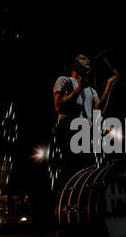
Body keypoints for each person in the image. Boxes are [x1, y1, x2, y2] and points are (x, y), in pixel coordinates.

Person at [51, 54, 119, 191]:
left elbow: (98, 110)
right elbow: (59, 106)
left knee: (87, 171)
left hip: (84, 132)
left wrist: (108, 86)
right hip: (68, 128)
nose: (87, 60)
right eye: (83, 58)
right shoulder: (64, 80)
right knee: (71, 169)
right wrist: (78, 89)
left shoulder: (91, 90)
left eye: (88, 58)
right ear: (74, 64)